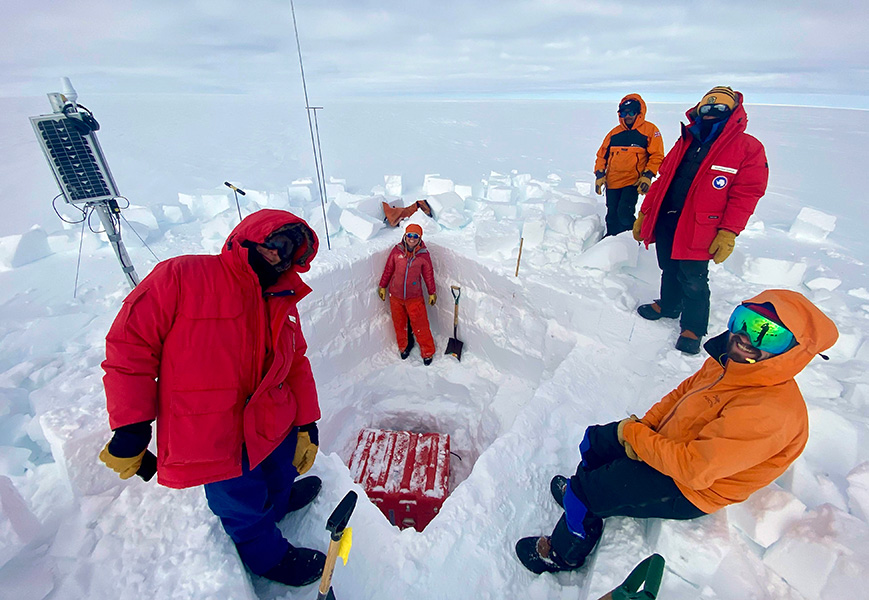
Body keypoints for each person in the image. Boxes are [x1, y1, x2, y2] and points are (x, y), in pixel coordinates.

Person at [516, 289, 838, 575]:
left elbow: (695, 470)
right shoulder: (728, 362)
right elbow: (680, 395)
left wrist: (635, 438)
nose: (744, 336)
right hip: (667, 446)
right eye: (743, 320)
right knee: (595, 441)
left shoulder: (771, 411)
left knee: (590, 489)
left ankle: (565, 550)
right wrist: (641, 427)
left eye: (766, 334)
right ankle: (584, 502)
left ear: (795, 351)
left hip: (690, 488)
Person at [99, 209, 327, 587]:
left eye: (289, 253)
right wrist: (132, 427)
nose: (279, 258)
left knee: (280, 471)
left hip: (272, 420)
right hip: (212, 431)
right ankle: (268, 558)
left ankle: (281, 504)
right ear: (249, 237)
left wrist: (308, 422)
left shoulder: (280, 296)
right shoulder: (182, 276)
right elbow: (129, 346)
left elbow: (296, 363)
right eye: (276, 245)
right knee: (241, 502)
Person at [633, 86, 769, 354]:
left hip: (701, 226)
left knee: (694, 278)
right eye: (707, 107)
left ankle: (693, 327)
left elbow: (746, 193)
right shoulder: (686, 140)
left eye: (720, 108)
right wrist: (645, 213)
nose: (711, 113)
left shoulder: (747, 148)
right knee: (668, 266)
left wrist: (728, 232)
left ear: (733, 112)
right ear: (698, 110)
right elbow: (662, 181)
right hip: (668, 217)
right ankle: (669, 305)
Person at [594, 93, 665, 237]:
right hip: (612, 182)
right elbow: (602, 155)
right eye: (624, 113)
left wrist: (647, 176)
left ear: (639, 113)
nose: (628, 116)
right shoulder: (614, 134)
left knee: (625, 213)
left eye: (631, 112)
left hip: (632, 181)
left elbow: (657, 156)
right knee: (612, 214)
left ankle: (630, 240)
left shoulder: (650, 131)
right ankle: (610, 242)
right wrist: (599, 175)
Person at [377, 223, 437, 365]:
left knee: (421, 324)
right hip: (395, 296)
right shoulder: (396, 251)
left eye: (415, 236)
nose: (412, 238)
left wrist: (432, 292)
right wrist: (382, 286)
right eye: (409, 235)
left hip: (414, 297)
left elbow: (428, 275)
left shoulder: (423, 255)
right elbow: (388, 269)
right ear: (405, 235)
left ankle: (427, 352)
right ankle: (404, 347)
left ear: (420, 238)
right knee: (399, 323)